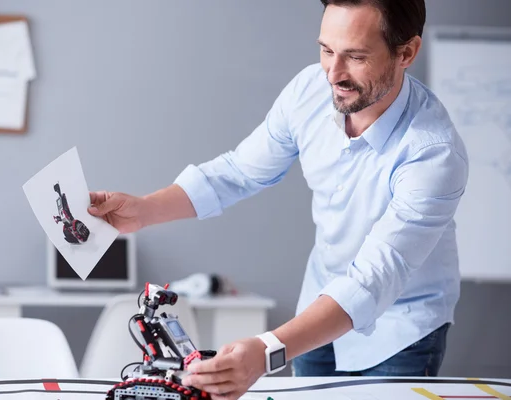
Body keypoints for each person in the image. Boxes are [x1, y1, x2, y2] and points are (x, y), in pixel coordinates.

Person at [88, 0, 469, 398]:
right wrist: (144, 211)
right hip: (317, 310)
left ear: (406, 52)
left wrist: (267, 350)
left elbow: (372, 279)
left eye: (355, 56)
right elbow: (239, 172)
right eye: (326, 50)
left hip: (399, 331)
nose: (333, 73)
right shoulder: (309, 91)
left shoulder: (434, 153)